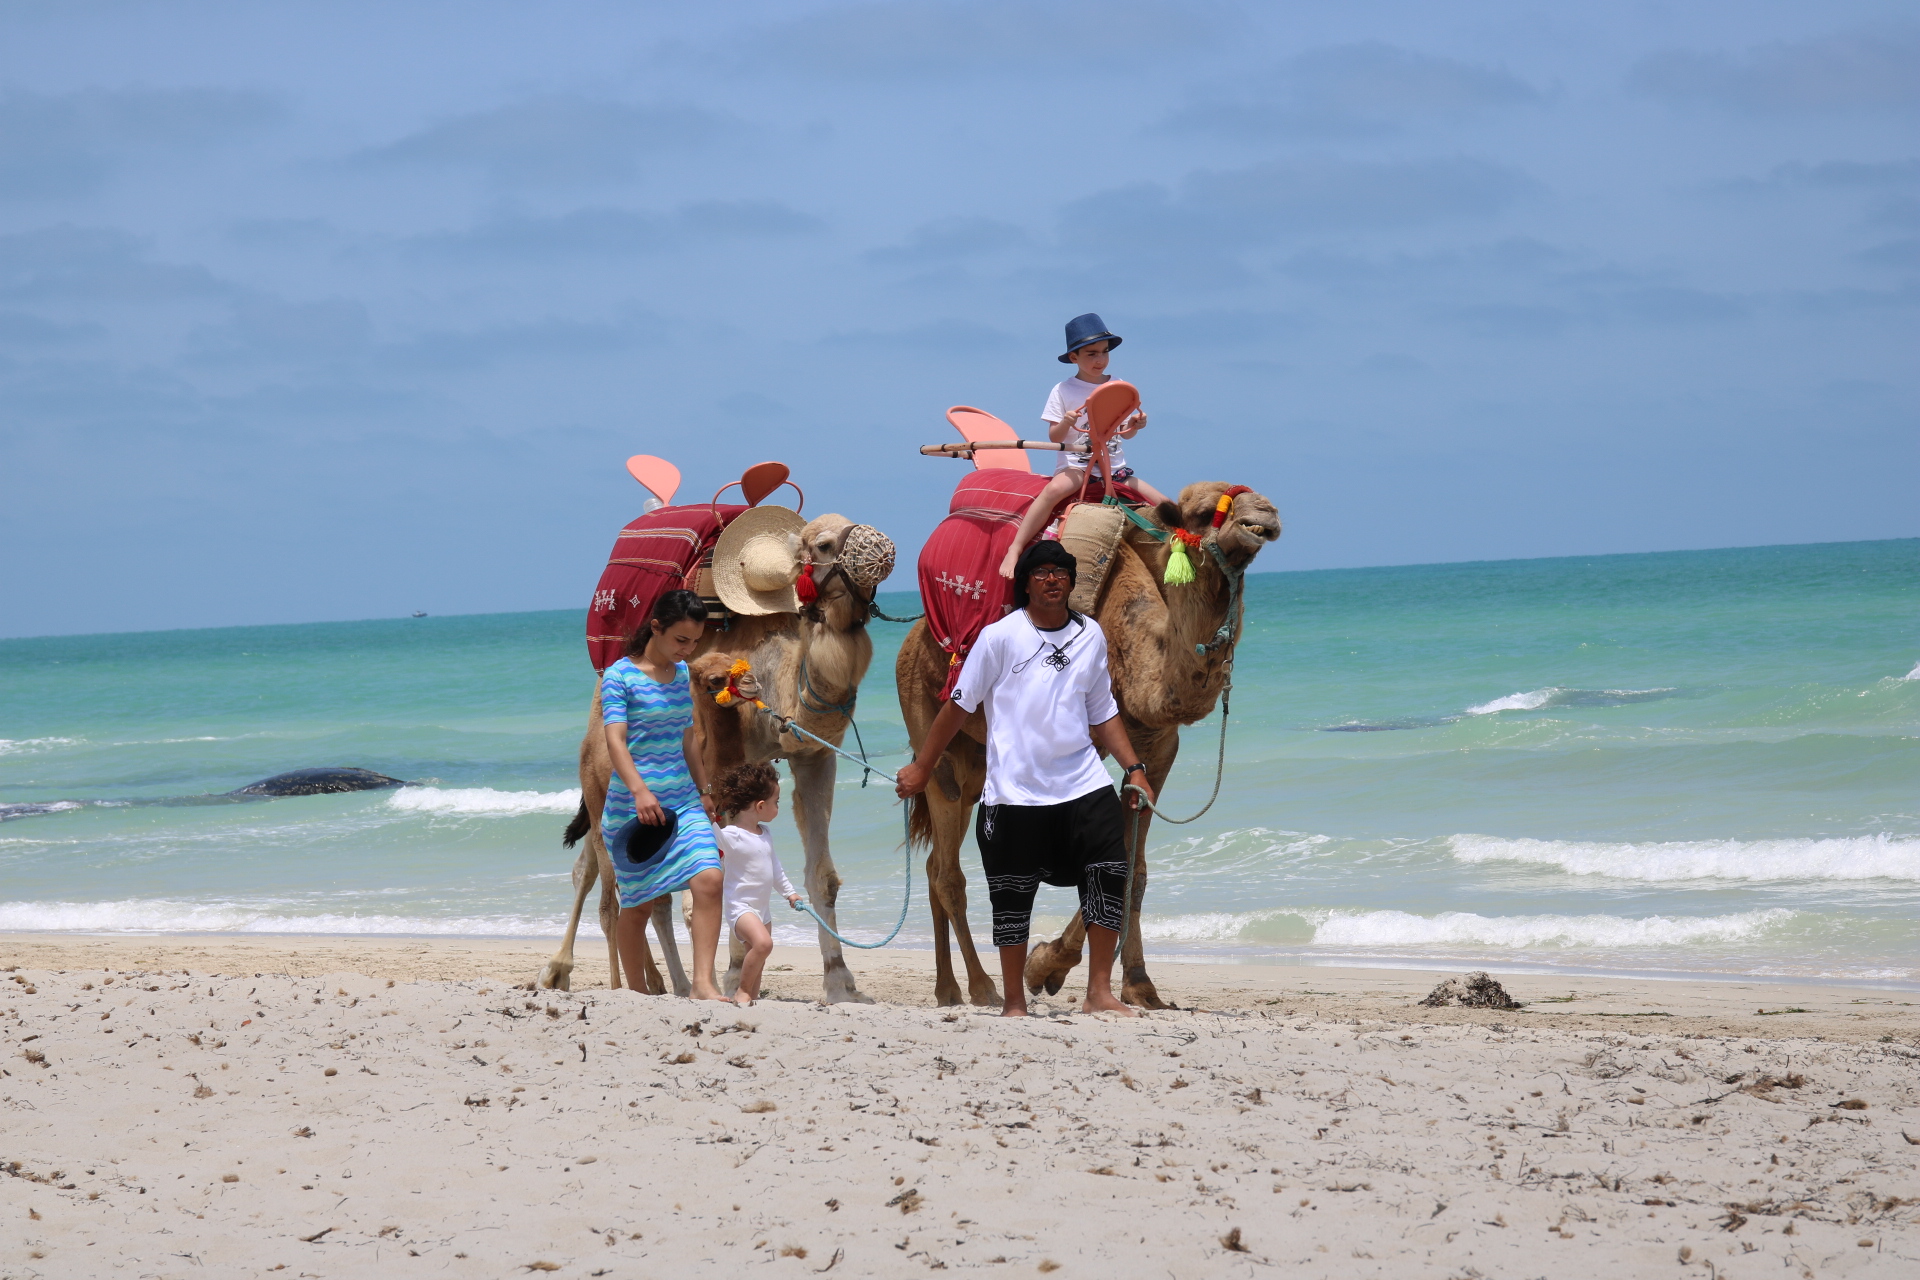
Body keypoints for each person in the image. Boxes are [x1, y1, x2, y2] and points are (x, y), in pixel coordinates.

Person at [896, 541, 1156, 1017]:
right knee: (1012, 898)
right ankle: (1014, 1002)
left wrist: (1134, 768)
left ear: (1072, 583)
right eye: (1042, 573)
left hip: (1083, 783)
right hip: (1014, 795)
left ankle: (1099, 993)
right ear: (1026, 583)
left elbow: (1103, 711)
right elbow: (958, 706)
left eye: (1061, 573)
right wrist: (923, 766)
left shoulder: (1090, 635)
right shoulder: (999, 638)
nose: (1053, 580)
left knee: (1108, 877)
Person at [600, 589, 727, 1002]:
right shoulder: (620, 676)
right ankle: (634, 995)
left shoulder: (681, 675)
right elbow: (615, 741)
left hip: (684, 801)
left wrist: (705, 790)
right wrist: (639, 790)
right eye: (681, 640)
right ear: (656, 627)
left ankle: (703, 984)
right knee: (636, 907)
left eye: (694, 642)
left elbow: (689, 739)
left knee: (709, 879)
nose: (688, 649)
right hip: (632, 810)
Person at [998, 313, 1172, 579]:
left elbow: (1124, 435)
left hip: (1115, 470)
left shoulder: (1118, 386)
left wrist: (1136, 425)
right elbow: (1056, 437)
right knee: (1052, 491)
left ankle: (1190, 549)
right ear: (1074, 358)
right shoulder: (1063, 390)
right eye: (1091, 354)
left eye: (1104, 353)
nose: (1100, 360)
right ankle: (1015, 547)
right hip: (1077, 468)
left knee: (1165, 503)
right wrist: (1067, 422)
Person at [710, 761, 800, 1007]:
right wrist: (709, 817)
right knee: (763, 944)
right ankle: (742, 991)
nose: (778, 807)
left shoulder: (765, 834)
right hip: (741, 907)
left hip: (763, 909)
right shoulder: (731, 835)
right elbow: (711, 834)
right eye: (776, 802)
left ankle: (752, 998)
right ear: (761, 806)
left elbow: (775, 868)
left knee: (758, 957)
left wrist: (790, 893)